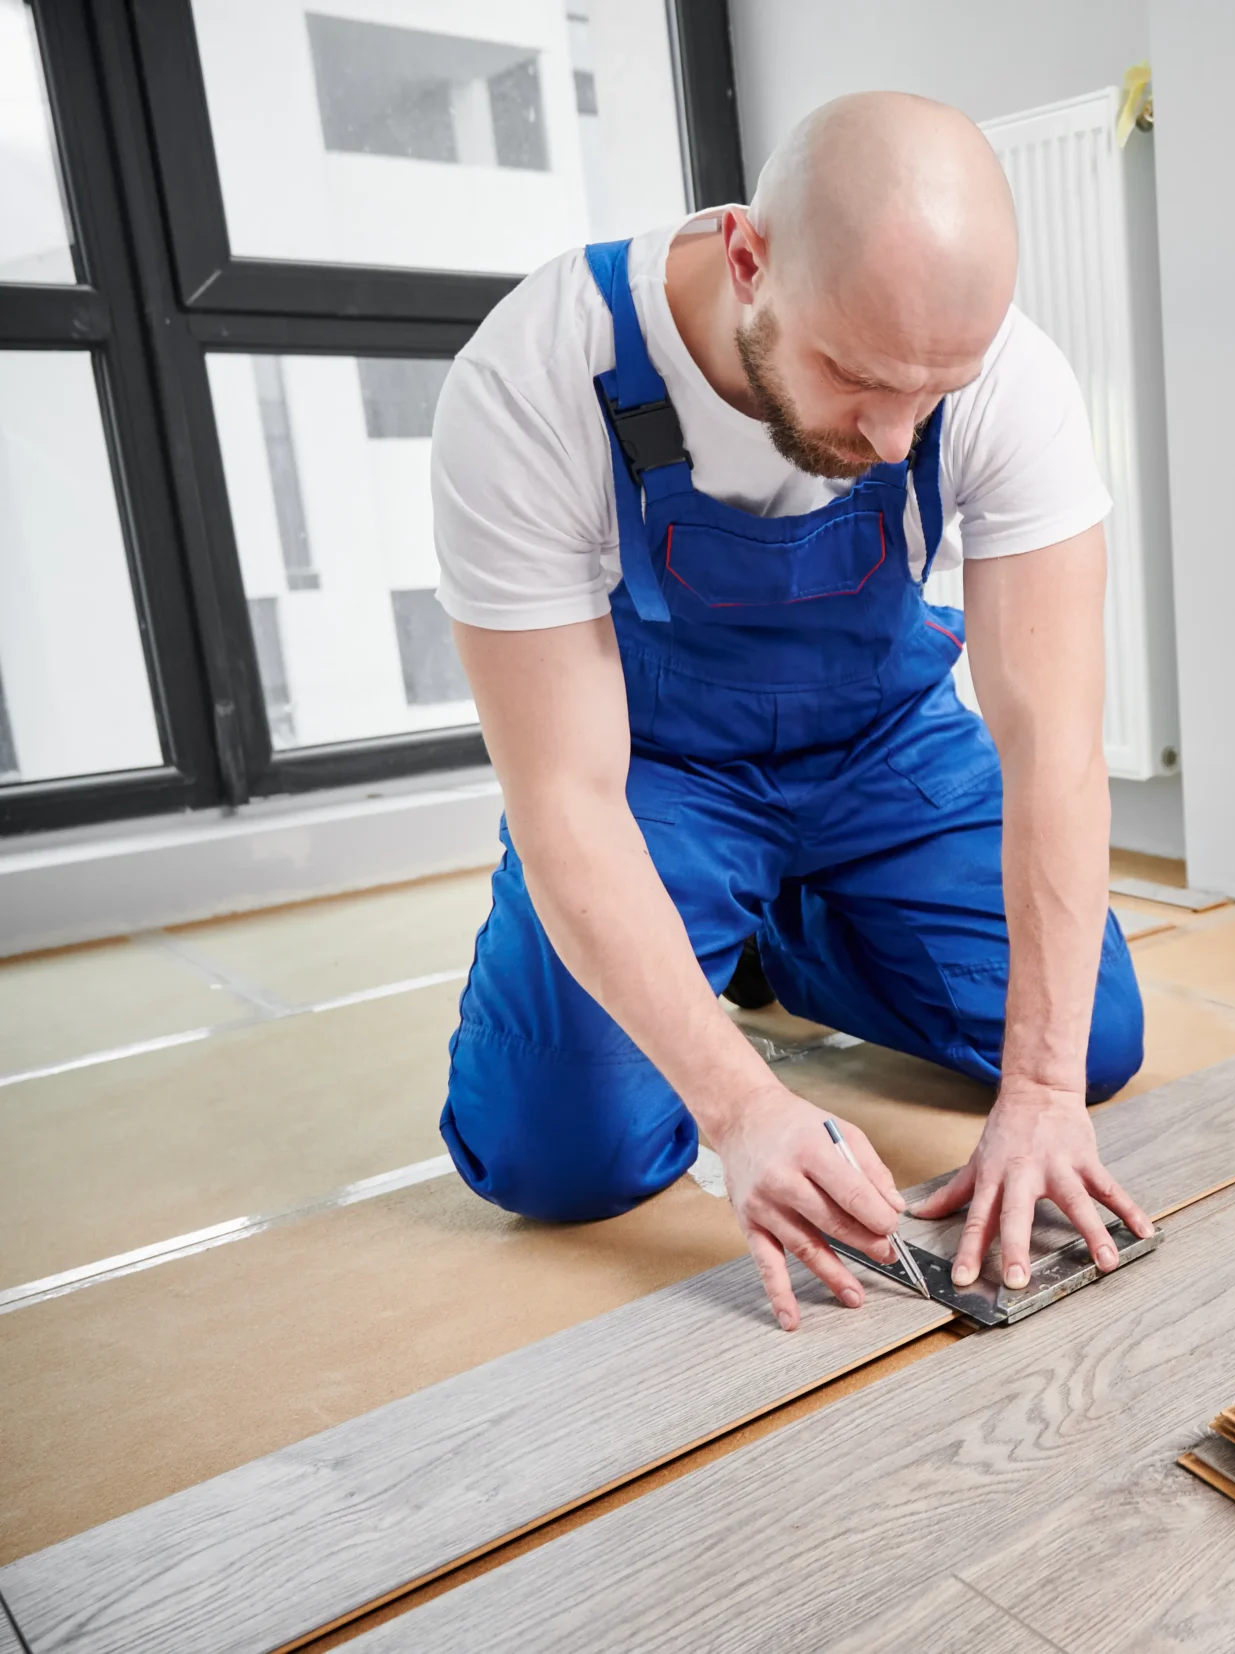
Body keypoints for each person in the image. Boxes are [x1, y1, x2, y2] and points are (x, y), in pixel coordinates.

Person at [428, 91, 1151, 1330]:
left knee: (1090, 1041)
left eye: (931, 396)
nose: (891, 435)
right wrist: (741, 1111)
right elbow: (562, 797)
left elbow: (1052, 742)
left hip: (882, 752)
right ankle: (719, 920)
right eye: (857, 379)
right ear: (747, 258)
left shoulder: (1003, 375)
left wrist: (1037, 1085)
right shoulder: (533, 377)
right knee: (562, 1158)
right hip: (657, 778)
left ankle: (777, 936)